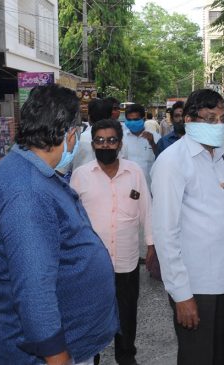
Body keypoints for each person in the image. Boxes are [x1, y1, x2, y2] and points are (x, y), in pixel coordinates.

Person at [0, 84, 118, 365]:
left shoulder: (35, 173)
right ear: (69, 134)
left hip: (68, 341)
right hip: (48, 353)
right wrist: (55, 354)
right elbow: (33, 285)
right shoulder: (26, 191)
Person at [151, 89, 224, 364]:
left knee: (220, 354)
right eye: (210, 119)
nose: (218, 126)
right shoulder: (172, 161)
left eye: (222, 119)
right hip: (196, 284)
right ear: (189, 119)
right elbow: (165, 233)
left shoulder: (222, 155)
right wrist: (181, 295)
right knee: (198, 356)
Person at [70, 119, 154, 365]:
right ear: (93, 143)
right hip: (91, 264)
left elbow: (147, 210)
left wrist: (151, 245)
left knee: (127, 314)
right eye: (100, 140)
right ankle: (90, 357)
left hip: (126, 261)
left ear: (120, 143)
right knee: (91, 315)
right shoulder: (81, 176)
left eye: (111, 140)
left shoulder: (134, 172)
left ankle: (126, 356)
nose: (105, 145)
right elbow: (73, 221)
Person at [121, 103, 160, 187]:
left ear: (143, 118)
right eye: (129, 120)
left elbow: (160, 159)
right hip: (127, 186)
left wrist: (152, 143)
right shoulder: (121, 138)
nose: (132, 123)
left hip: (149, 186)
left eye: (135, 120)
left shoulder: (155, 137)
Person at [72, 98, 114, 169]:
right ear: (110, 117)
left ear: (89, 117)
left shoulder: (78, 138)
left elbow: (62, 169)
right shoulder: (119, 139)